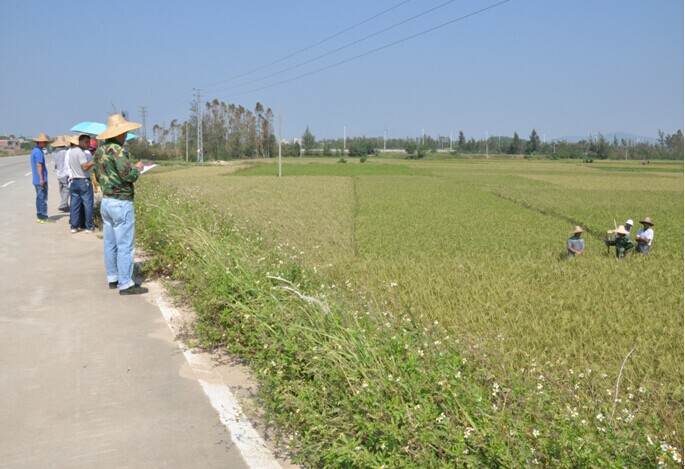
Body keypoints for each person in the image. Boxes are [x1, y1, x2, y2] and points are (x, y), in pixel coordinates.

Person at [94, 114, 147, 295]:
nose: (125, 135)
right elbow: (128, 175)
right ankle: (125, 284)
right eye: (124, 132)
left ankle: (113, 277)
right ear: (119, 133)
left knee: (110, 243)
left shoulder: (100, 151)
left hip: (106, 201)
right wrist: (137, 169)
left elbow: (97, 175)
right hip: (121, 202)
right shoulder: (119, 151)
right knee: (125, 245)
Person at [66, 134, 95, 233]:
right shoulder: (81, 153)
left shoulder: (71, 152)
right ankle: (89, 226)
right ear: (80, 142)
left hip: (74, 180)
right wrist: (93, 161)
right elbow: (84, 167)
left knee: (74, 205)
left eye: (89, 142)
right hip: (83, 180)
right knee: (88, 204)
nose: (88, 144)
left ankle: (74, 226)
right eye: (86, 142)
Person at [30, 133, 51, 223]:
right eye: (44, 142)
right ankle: (43, 217)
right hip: (40, 180)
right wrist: (41, 179)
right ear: (39, 142)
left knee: (39, 198)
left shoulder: (35, 150)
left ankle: (40, 216)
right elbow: (39, 166)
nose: (45, 144)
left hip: (37, 179)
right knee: (42, 198)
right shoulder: (38, 152)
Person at [52, 135, 70, 212]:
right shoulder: (65, 152)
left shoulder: (55, 152)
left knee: (62, 189)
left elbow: (56, 164)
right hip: (64, 173)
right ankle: (63, 204)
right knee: (67, 189)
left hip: (59, 173)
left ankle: (65, 204)